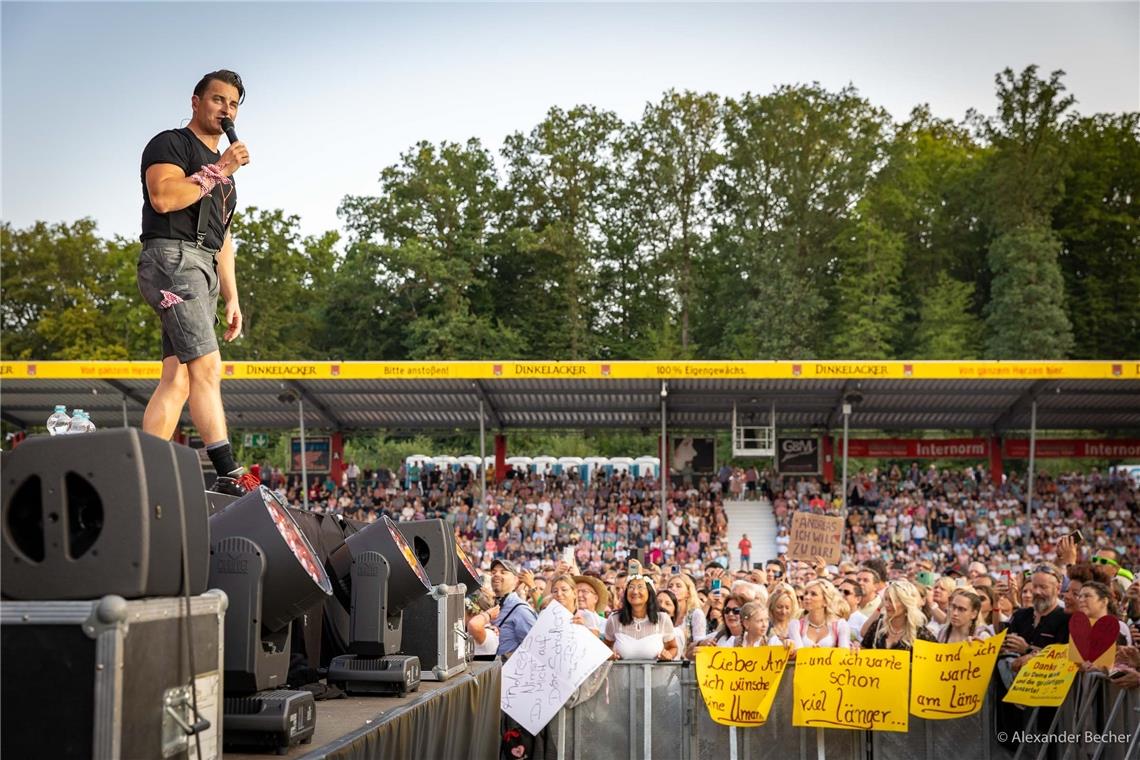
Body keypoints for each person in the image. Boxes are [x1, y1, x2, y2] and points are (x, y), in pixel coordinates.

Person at [137, 70, 257, 496]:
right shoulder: (170, 143)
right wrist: (222, 166)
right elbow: (164, 198)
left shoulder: (225, 177)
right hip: (171, 257)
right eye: (218, 100)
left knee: (179, 377)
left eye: (234, 104)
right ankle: (227, 470)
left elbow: (222, 238)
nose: (226, 110)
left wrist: (232, 296)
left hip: (203, 266)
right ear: (196, 101)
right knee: (207, 366)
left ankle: (145, 472)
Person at [604, 563, 677, 661]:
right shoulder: (614, 619)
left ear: (649, 592)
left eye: (640, 587)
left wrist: (668, 655)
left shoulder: (662, 618)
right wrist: (609, 655)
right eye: (631, 587)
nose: (635, 591)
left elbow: (673, 647)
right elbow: (606, 647)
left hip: (655, 675)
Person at [862, 580, 933, 651]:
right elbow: (863, 651)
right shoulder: (878, 626)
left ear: (905, 603)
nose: (886, 605)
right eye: (885, 599)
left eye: (892, 601)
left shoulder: (921, 633)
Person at [489, 559, 537, 658]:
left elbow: (535, 649)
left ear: (516, 580)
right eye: (493, 572)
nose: (496, 574)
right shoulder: (493, 605)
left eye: (503, 572)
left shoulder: (520, 610)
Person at [798, 579, 851, 650]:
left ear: (825, 601)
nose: (807, 597)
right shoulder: (797, 625)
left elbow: (844, 653)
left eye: (813, 594)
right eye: (806, 593)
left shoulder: (840, 625)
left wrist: (824, 653)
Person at [767, 583, 803, 651]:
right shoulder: (766, 626)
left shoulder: (797, 626)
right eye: (779, 607)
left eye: (787, 608)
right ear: (772, 607)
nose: (783, 611)